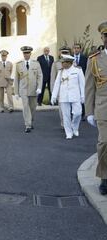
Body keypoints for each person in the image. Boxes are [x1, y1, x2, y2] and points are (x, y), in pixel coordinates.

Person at [85, 21, 107, 195]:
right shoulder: (94, 60)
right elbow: (89, 88)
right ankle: (104, 177)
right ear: (102, 37)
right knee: (104, 142)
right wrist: (89, 112)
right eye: (106, 35)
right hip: (103, 108)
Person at [51, 55, 85, 139]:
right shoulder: (61, 72)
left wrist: (83, 96)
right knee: (66, 116)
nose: (62, 64)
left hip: (75, 95)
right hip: (64, 96)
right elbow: (57, 84)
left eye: (64, 62)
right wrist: (54, 96)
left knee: (78, 113)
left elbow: (82, 84)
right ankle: (68, 133)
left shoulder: (78, 70)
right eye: (62, 62)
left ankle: (74, 127)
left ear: (69, 63)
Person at [14, 46, 43, 133]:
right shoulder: (19, 65)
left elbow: (40, 76)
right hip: (23, 90)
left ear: (30, 53)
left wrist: (39, 87)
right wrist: (16, 92)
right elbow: (16, 79)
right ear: (23, 54)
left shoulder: (36, 64)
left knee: (33, 107)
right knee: (26, 106)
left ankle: (31, 120)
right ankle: (28, 125)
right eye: (24, 53)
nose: (26, 55)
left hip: (33, 89)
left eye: (28, 53)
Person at [51, 46, 72, 129]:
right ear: (60, 53)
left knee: (71, 108)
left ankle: (69, 122)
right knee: (62, 108)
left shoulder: (73, 63)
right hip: (61, 90)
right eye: (63, 52)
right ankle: (64, 123)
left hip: (71, 89)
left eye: (66, 52)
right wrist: (53, 92)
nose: (65, 54)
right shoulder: (56, 64)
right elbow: (53, 78)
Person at [72, 43, 88, 120]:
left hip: (82, 80)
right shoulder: (70, 58)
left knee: (82, 96)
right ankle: (73, 113)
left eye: (78, 48)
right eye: (75, 48)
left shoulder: (84, 58)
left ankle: (82, 114)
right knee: (73, 96)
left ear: (80, 49)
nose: (76, 49)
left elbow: (87, 69)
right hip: (73, 81)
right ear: (73, 49)